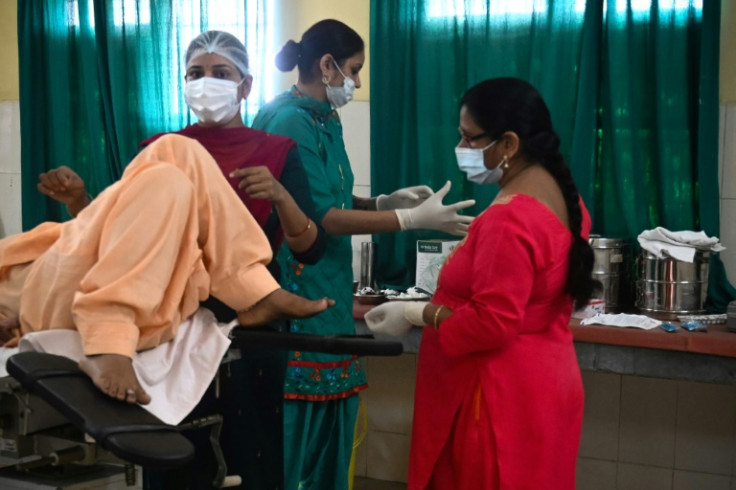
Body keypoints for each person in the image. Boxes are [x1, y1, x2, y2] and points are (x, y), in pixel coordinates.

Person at [37, 30, 326, 490]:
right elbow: (125, 233)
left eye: (221, 73)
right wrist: (80, 202)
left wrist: (282, 197)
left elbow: (312, 248)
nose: (206, 82)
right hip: (174, 309)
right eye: (196, 73)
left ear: (246, 85)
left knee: (251, 453)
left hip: (251, 327)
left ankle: (256, 292)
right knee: (174, 454)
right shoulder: (163, 149)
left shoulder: (276, 152)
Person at [252, 19, 475, 490]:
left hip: (329, 290)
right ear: (326, 65)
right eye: (353, 70)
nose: (355, 82)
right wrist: (408, 222)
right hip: (298, 288)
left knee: (334, 435)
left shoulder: (323, 118)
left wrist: (382, 203)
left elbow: (332, 195)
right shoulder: (287, 119)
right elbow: (319, 218)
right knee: (298, 445)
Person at [365, 77, 601, 489]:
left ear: (509, 144)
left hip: (494, 400)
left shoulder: (509, 218)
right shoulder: (562, 198)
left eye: (469, 138)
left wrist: (418, 312)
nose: (462, 149)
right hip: (544, 385)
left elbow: (492, 324)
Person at [0, 133, 332, 407]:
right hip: (35, 299)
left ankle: (253, 288)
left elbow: (125, 242)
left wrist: (80, 207)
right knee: (166, 179)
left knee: (177, 148)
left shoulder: (274, 148)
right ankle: (107, 337)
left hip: (69, 260)